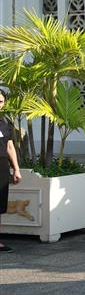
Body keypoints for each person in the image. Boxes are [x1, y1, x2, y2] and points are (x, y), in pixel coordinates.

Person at [0, 89, 23, 252]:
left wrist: (16, 169)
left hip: (1, 166)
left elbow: (9, 146)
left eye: (0, 101)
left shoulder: (5, 122)